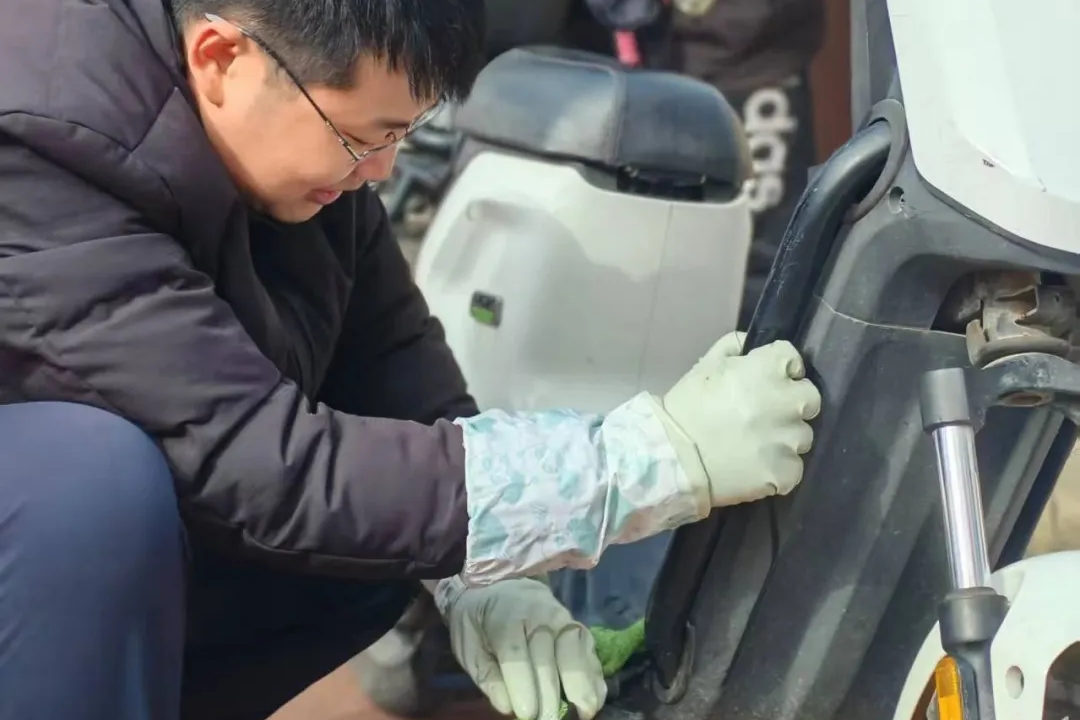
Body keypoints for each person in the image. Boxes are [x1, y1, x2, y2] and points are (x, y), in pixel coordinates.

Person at [0, 1, 822, 720]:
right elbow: (262, 467)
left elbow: (392, 370)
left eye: (400, 132)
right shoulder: (41, 144)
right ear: (222, 58)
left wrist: (483, 579)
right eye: (361, 136)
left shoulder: (292, 141)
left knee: (397, 541)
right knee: (93, 489)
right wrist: (641, 463)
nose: (383, 169)